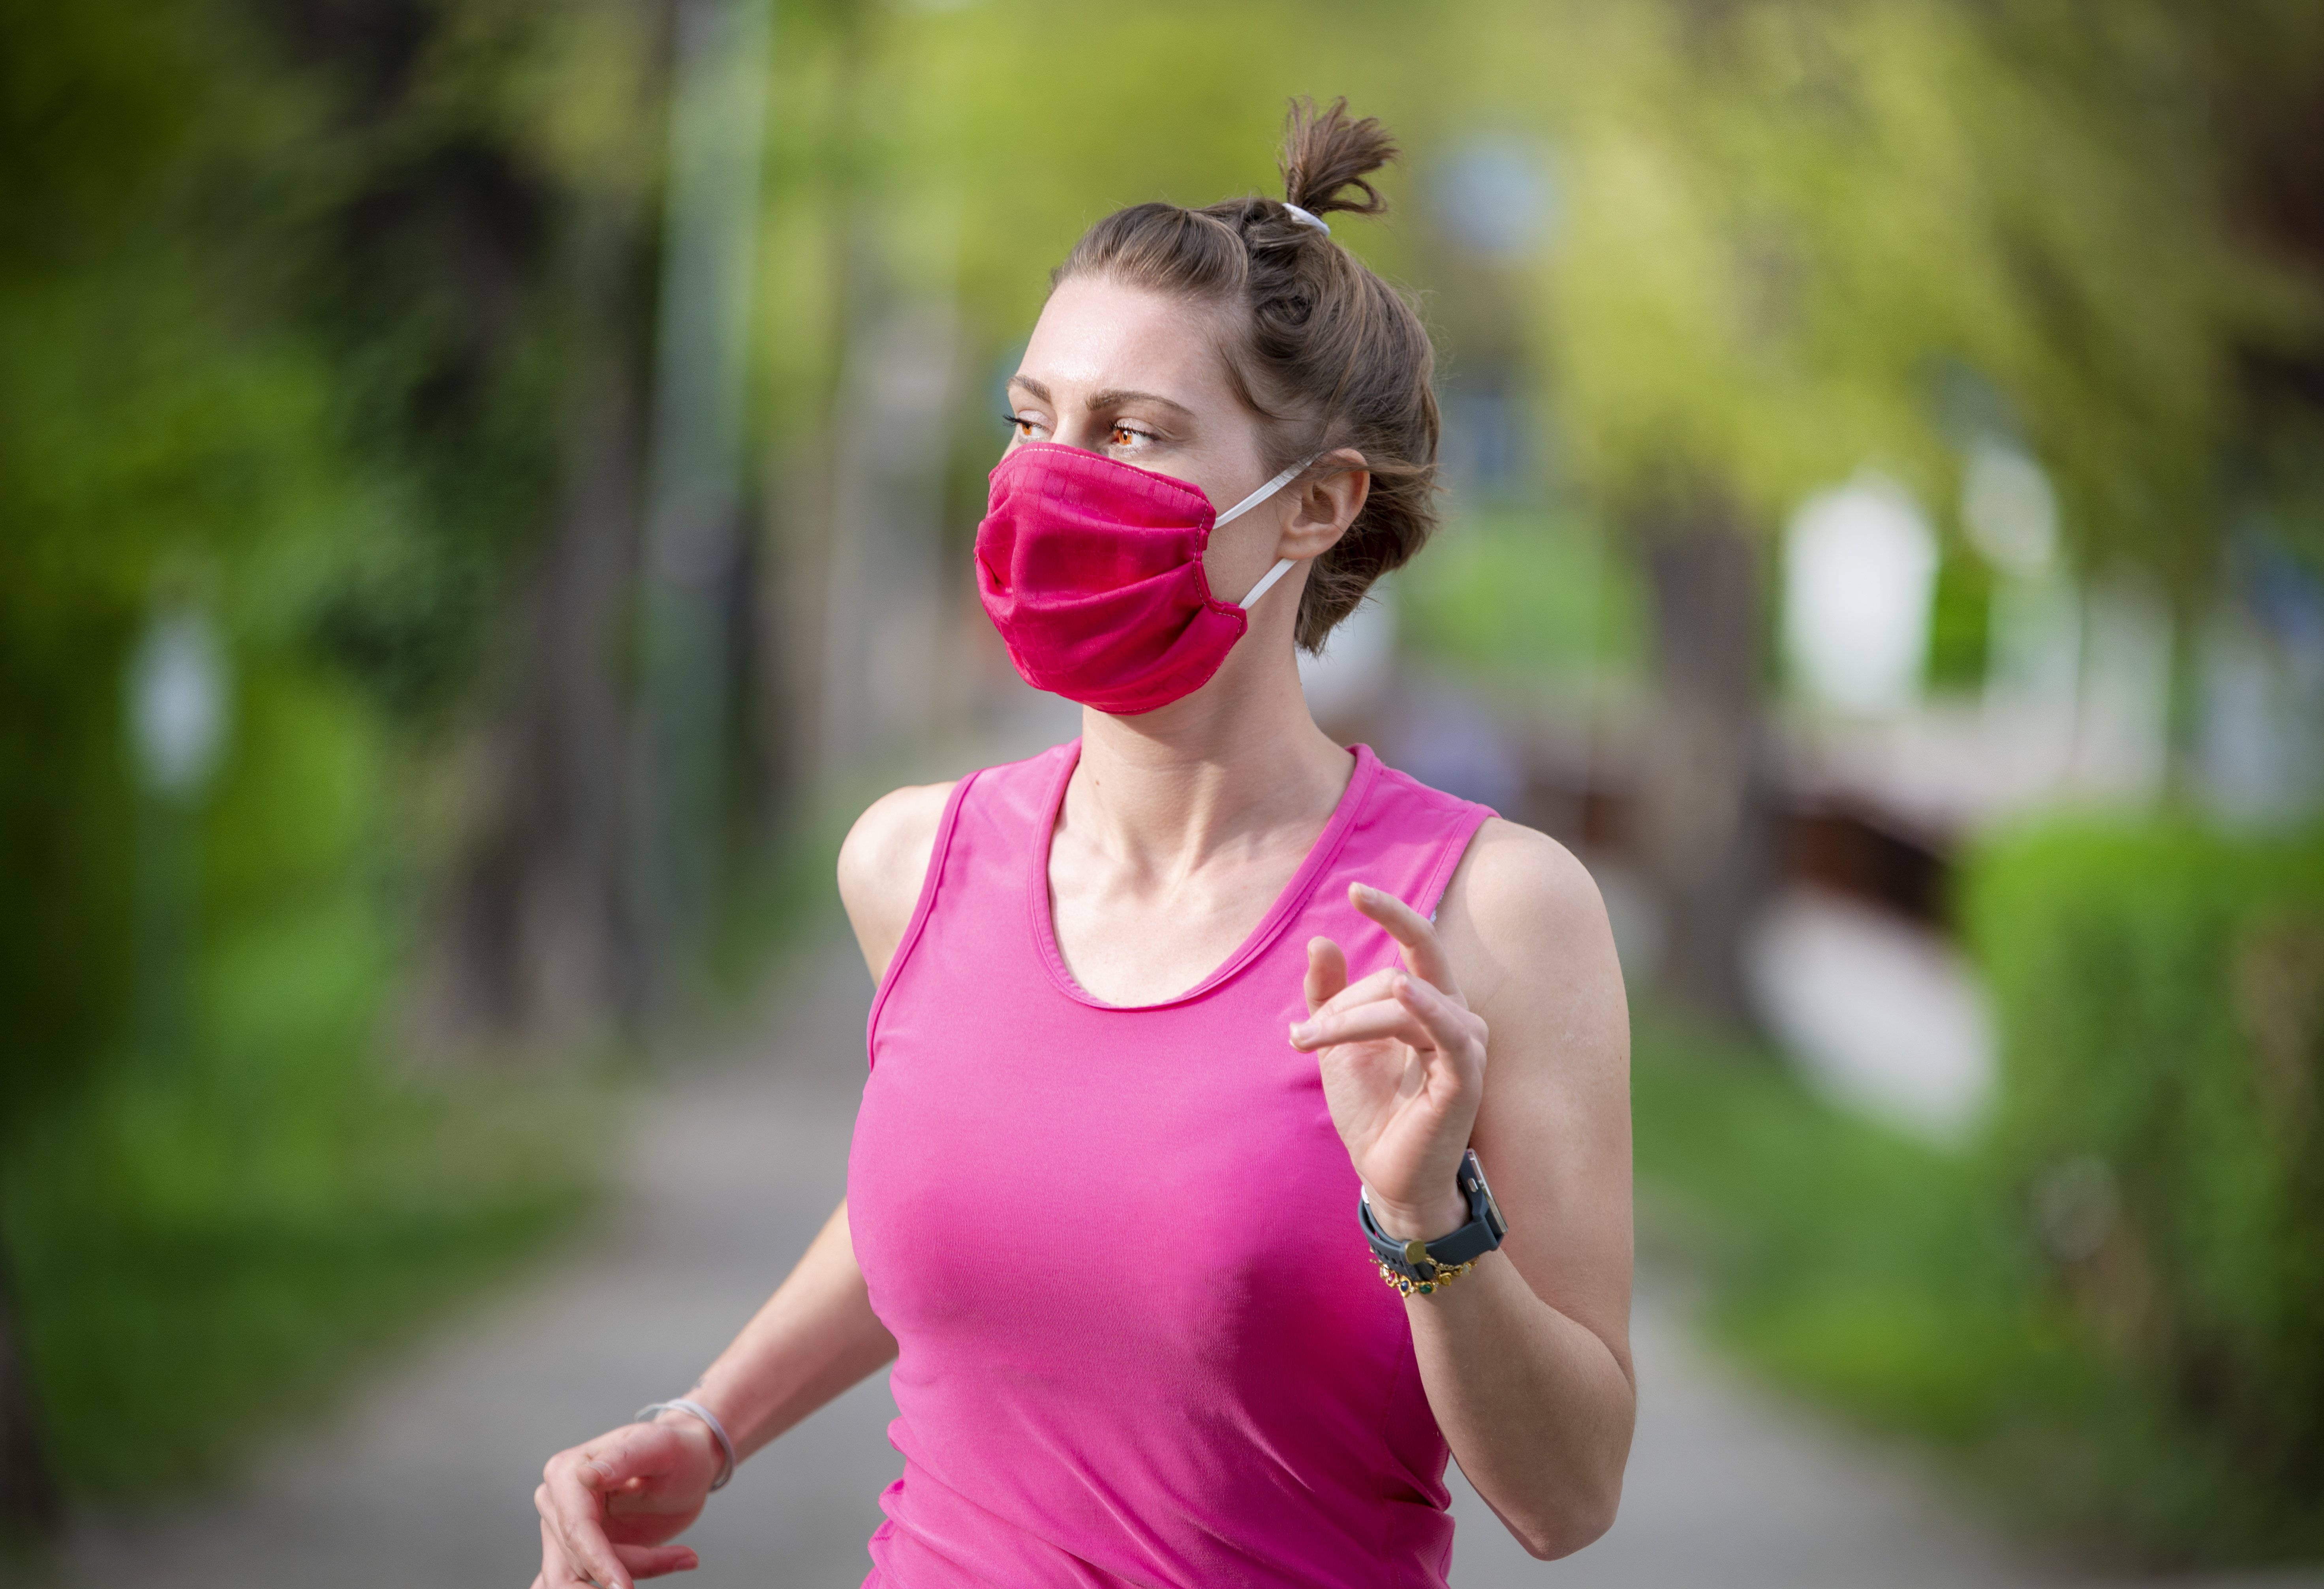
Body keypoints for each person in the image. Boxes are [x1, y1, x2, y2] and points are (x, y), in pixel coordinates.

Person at [532, 98, 1635, 1589]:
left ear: (1312, 506)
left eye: (1134, 433)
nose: (1056, 477)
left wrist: (1427, 1216)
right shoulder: (911, 864)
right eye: (1032, 417)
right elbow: (969, 1196)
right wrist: (712, 1423)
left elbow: (1569, 1501)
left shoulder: (1490, 915)